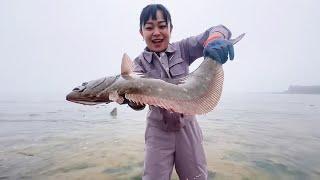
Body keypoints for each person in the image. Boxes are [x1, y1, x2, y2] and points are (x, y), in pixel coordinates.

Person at [122, 4, 235, 180]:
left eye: (162, 26)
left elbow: (219, 29)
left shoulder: (183, 49)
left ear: (170, 28)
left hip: (188, 127)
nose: (157, 32)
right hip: (157, 130)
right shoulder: (138, 65)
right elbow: (137, 105)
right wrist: (132, 101)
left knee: (196, 177)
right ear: (141, 32)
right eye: (150, 27)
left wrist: (215, 39)